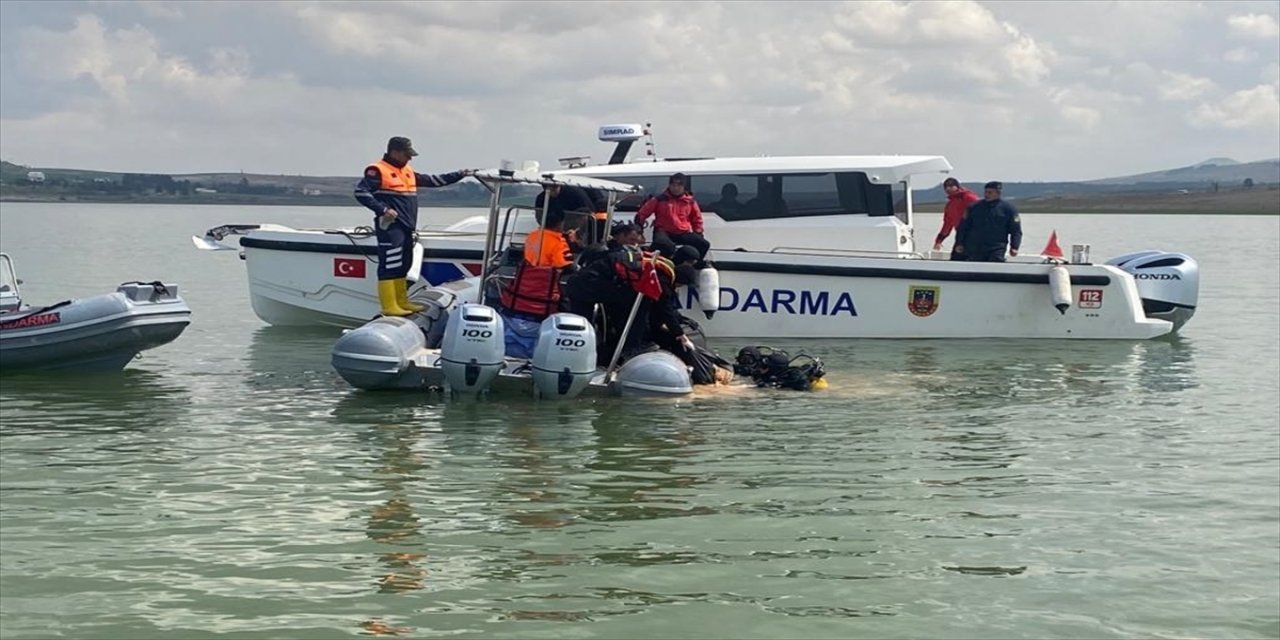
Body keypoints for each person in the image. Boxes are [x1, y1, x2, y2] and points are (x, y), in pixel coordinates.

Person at [354, 136, 472, 316]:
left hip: (407, 226)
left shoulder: (407, 170)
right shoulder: (377, 170)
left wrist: (460, 174)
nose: (410, 158)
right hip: (391, 227)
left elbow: (433, 180)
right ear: (395, 152)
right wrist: (383, 209)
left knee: (404, 264)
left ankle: (402, 302)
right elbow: (360, 192)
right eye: (407, 155)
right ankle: (389, 306)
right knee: (390, 264)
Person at [635, 173, 710, 260]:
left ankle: (695, 265)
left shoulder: (690, 201)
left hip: (682, 231)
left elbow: (697, 219)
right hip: (663, 231)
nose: (675, 188)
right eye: (673, 184)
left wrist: (698, 232)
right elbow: (642, 214)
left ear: (684, 187)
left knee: (704, 244)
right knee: (665, 245)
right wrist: (639, 230)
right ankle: (662, 265)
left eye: (679, 185)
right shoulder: (659, 199)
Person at [954, 181, 1022, 262]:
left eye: (990, 192)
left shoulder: (1009, 209)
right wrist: (959, 243)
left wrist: (1014, 246)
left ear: (998, 193)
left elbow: (1016, 230)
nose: (987, 195)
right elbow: (963, 227)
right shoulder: (974, 207)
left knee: (995, 265)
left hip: (996, 247)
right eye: (986, 192)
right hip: (976, 247)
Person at [934, 177, 979, 260]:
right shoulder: (950, 205)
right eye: (946, 187)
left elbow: (982, 213)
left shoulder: (969, 197)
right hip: (961, 234)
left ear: (957, 186)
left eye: (951, 186)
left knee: (971, 257)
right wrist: (939, 240)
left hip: (974, 233)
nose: (948, 188)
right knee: (956, 258)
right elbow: (947, 224)